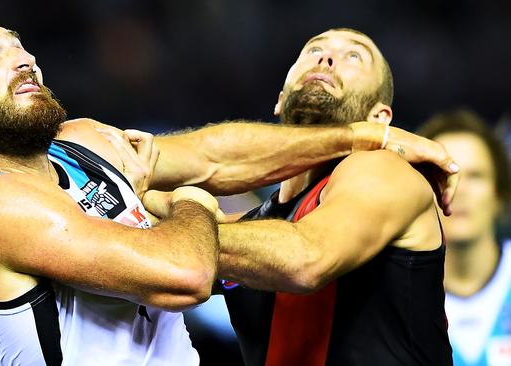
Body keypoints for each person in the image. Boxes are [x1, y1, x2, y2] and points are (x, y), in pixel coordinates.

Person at [0, 6, 458, 365]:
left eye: (18, 44)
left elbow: (209, 157)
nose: (24, 58)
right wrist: (185, 206)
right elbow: (183, 270)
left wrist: (366, 138)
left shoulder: (78, 139)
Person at [146, 28, 454, 365]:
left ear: (379, 118)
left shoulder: (384, 171)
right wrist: (162, 209)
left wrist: (187, 216)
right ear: (280, 100)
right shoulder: (256, 226)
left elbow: (306, 258)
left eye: (354, 56)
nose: (326, 57)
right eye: (313, 50)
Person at [418, 109, 511, 366]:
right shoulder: (394, 297)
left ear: (500, 193)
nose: (459, 190)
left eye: (476, 176)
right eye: (443, 176)